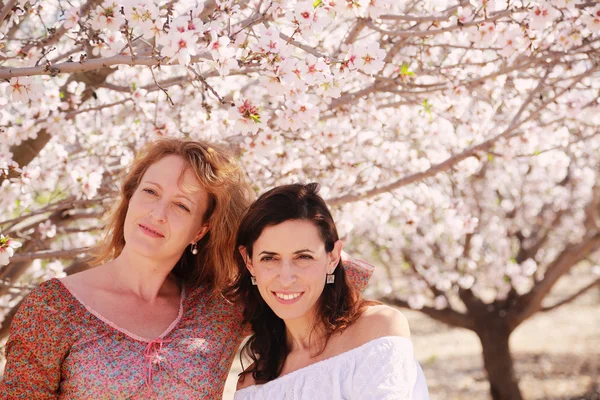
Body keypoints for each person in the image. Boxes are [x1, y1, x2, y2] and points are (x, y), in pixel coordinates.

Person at [0, 139, 373, 399]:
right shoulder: (53, 307)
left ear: (202, 228)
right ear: (129, 197)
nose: (157, 214)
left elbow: (333, 278)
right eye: (150, 192)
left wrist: (263, 236)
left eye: (181, 206)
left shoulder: (217, 308)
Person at [228, 183, 430, 399]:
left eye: (303, 257)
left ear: (333, 257)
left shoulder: (376, 331)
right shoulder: (252, 385)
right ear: (249, 262)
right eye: (269, 258)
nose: (286, 279)